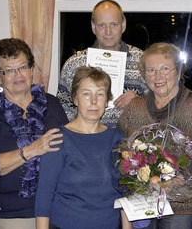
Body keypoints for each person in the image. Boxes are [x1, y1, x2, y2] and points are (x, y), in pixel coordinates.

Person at [118, 42, 192, 229]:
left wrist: (179, 177)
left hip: (182, 205)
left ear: (178, 71)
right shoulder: (134, 107)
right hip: (141, 202)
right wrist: (134, 171)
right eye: (151, 70)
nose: (158, 76)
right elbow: (121, 148)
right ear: (144, 74)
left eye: (165, 69)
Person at [0, 38, 68, 229]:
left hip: (57, 207)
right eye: (9, 70)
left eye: (23, 67)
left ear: (32, 69)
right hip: (14, 214)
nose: (18, 75)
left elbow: (69, 152)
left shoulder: (53, 105)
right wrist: (33, 149)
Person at [35, 67, 128, 229]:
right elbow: (44, 196)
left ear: (107, 101)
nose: (94, 101)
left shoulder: (118, 139)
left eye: (100, 94)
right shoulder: (58, 139)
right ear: (75, 99)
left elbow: (126, 192)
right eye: (86, 94)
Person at [57, 0, 148, 128]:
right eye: (102, 25)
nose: (108, 32)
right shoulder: (73, 64)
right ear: (93, 27)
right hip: (87, 141)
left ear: (123, 25)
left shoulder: (143, 60)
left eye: (114, 24)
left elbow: (160, 103)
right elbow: (62, 109)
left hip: (130, 142)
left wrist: (139, 101)